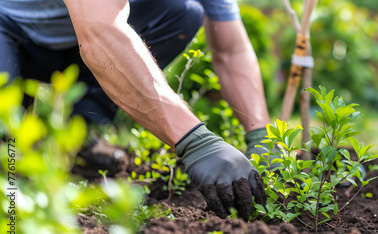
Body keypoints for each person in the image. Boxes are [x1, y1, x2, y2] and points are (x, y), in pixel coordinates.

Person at [0, 0, 270, 220]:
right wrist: (196, 142)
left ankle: (80, 129)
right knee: (6, 156)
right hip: (10, 28)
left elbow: (232, 51)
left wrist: (263, 139)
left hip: (76, 44)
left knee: (181, 11)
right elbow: (100, 31)